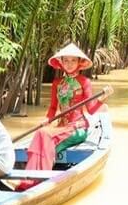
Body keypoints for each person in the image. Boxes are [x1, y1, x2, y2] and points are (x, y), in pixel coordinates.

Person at [16, 43, 113, 190]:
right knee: (40, 133)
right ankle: (32, 177)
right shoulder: (57, 83)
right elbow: (53, 108)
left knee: (45, 136)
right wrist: (47, 119)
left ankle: (39, 181)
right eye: (66, 60)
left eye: (73, 60)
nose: (69, 64)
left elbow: (91, 110)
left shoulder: (84, 82)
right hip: (61, 127)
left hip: (77, 128)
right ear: (61, 62)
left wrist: (102, 98)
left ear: (79, 62)